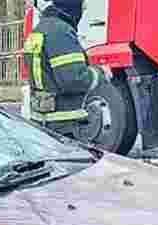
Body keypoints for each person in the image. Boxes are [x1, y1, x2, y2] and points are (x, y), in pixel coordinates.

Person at [23, 0, 102, 135]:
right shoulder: (61, 32)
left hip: (44, 120)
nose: (82, 13)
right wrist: (98, 74)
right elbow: (74, 80)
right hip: (65, 125)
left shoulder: (39, 29)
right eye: (82, 8)